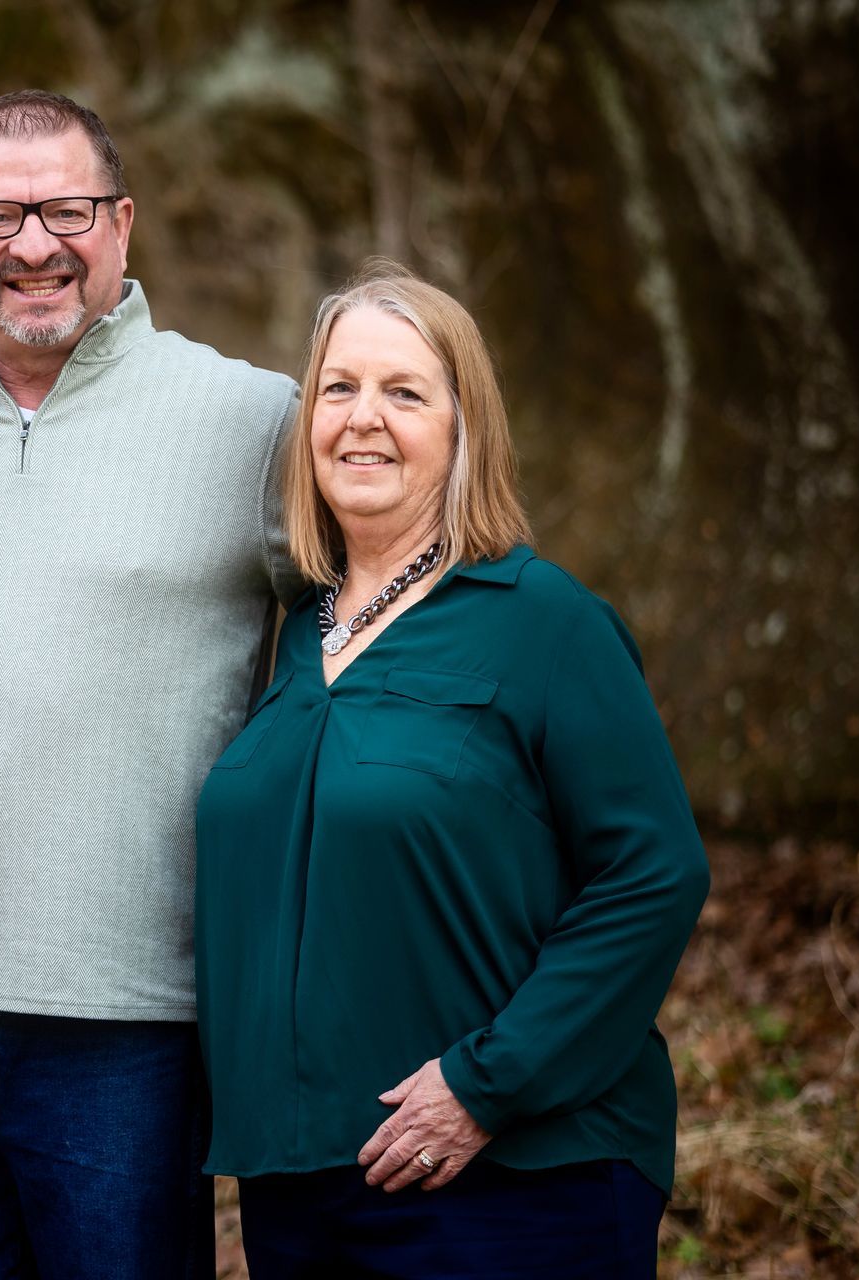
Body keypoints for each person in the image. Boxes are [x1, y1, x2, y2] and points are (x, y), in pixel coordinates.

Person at [0, 89, 302, 1277]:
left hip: (130, 1021)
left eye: (66, 210)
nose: (34, 244)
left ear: (123, 226)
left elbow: (375, 631)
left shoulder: (250, 418)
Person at [194, 262, 709, 1278]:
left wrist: (487, 1083)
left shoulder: (543, 621)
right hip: (302, 1186)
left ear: (465, 426)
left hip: (512, 1178)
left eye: (405, 391)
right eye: (337, 388)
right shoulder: (295, 636)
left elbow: (653, 874)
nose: (362, 418)